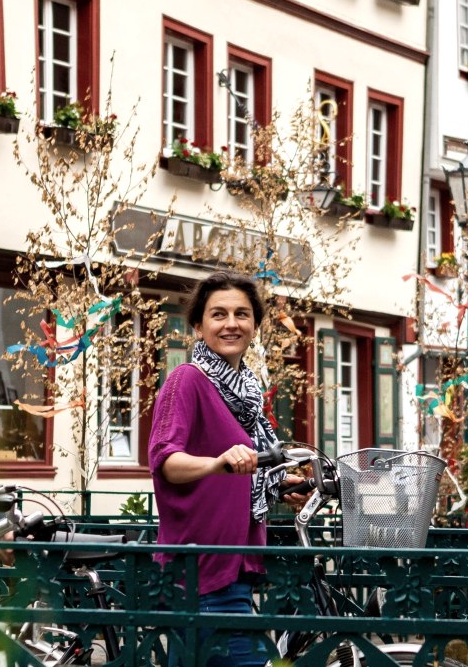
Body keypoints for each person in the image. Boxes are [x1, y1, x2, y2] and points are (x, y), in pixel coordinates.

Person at [149, 272, 307, 667]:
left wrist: (281, 485)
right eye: (218, 314)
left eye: (242, 314)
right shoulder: (187, 380)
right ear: (198, 326)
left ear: (255, 325)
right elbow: (166, 462)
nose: (231, 323)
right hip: (200, 571)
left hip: (235, 566)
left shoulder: (246, 393)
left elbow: (247, 470)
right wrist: (218, 463)